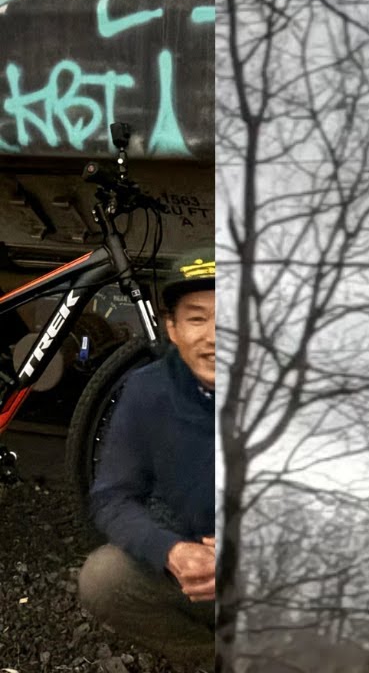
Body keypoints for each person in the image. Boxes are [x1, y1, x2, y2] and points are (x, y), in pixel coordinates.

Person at [77, 247, 216, 670]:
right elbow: (111, 497)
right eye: (197, 318)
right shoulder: (147, 392)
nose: (215, 335)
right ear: (170, 328)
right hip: (205, 572)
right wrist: (171, 551)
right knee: (104, 579)